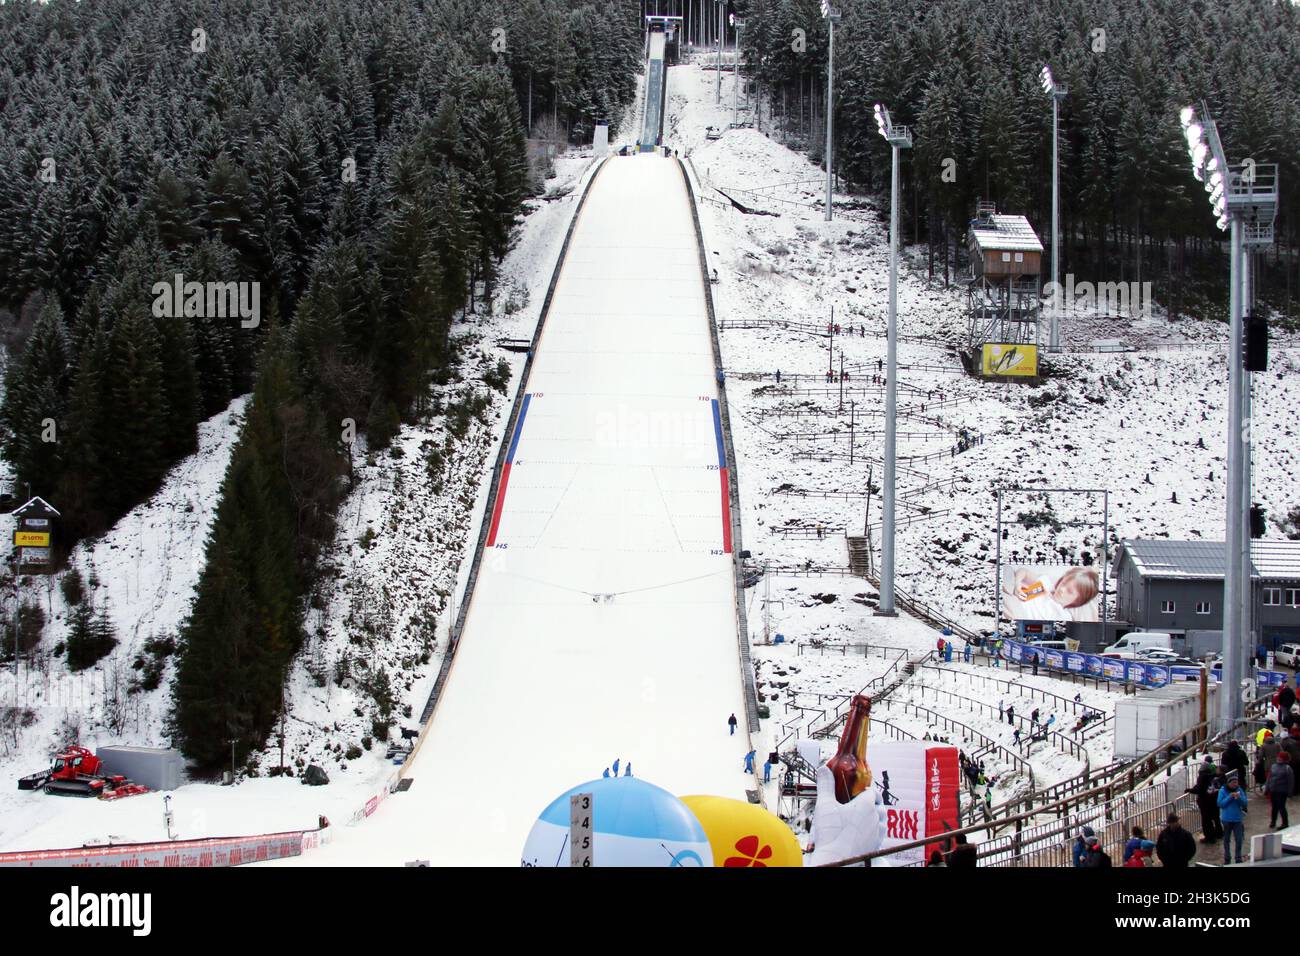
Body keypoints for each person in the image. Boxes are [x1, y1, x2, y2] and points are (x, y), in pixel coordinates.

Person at [1187, 755, 1223, 844]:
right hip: (1214, 800)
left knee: (1206, 820)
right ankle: (1219, 833)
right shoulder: (1212, 776)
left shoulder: (1202, 777)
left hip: (1205, 802)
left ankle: (1209, 837)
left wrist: (1190, 790)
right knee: (1215, 817)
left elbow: (1200, 789)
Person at [1216, 773, 1248, 865]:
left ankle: (1238, 857)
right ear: (1229, 783)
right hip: (1226, 819)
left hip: (1237, 819)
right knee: (1226, 840)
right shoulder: (1222, 791)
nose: (1235, 784)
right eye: (1233, 782)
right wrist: (1230, 797)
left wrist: (1238, 798)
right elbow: (1220, 804)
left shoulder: (1239, 790)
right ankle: (1227, 858)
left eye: (1236, 782)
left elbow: (1244, 803)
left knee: (1239, 839)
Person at [1266, 752, 1294, 829]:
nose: (1279, 758)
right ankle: (1273, 821)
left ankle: (1285, 823)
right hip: (1273, 790)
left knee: (1281, 807)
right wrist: (1267, 788)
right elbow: (1269, 778)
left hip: (1282, 791)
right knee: (1274, 807)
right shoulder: (1273, 766)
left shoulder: (1287, 768)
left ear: (1284, 759)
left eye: (1281, 757)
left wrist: (1290, 793)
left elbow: (1290, 781)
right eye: (1278, 757)